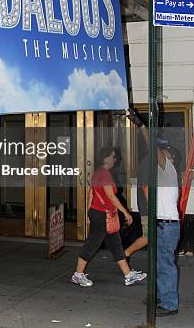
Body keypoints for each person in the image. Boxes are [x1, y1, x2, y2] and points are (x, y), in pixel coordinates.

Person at [126, 108, 180, 316]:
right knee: (159, 262)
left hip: (166, 226)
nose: (160, 152)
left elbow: (152, 146)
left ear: (169, 157)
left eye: (164, 151)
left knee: (165, 263)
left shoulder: (168, 168)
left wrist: (142, 126)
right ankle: (162, 296)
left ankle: (169, 303)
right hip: (163, 224)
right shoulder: (163, 174)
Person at [71, 146, 147, 287]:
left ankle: (128, 275)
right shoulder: (104, 174)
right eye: (113, 156)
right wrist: (125, 212)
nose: (115, 159)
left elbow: (92, 194)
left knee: (115, 244)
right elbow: (111, 196)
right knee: (93, 243)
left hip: (100, 213)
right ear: (106, 158)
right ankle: (78, 274)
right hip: (102, 215)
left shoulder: (98, 173)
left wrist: (89, 213)